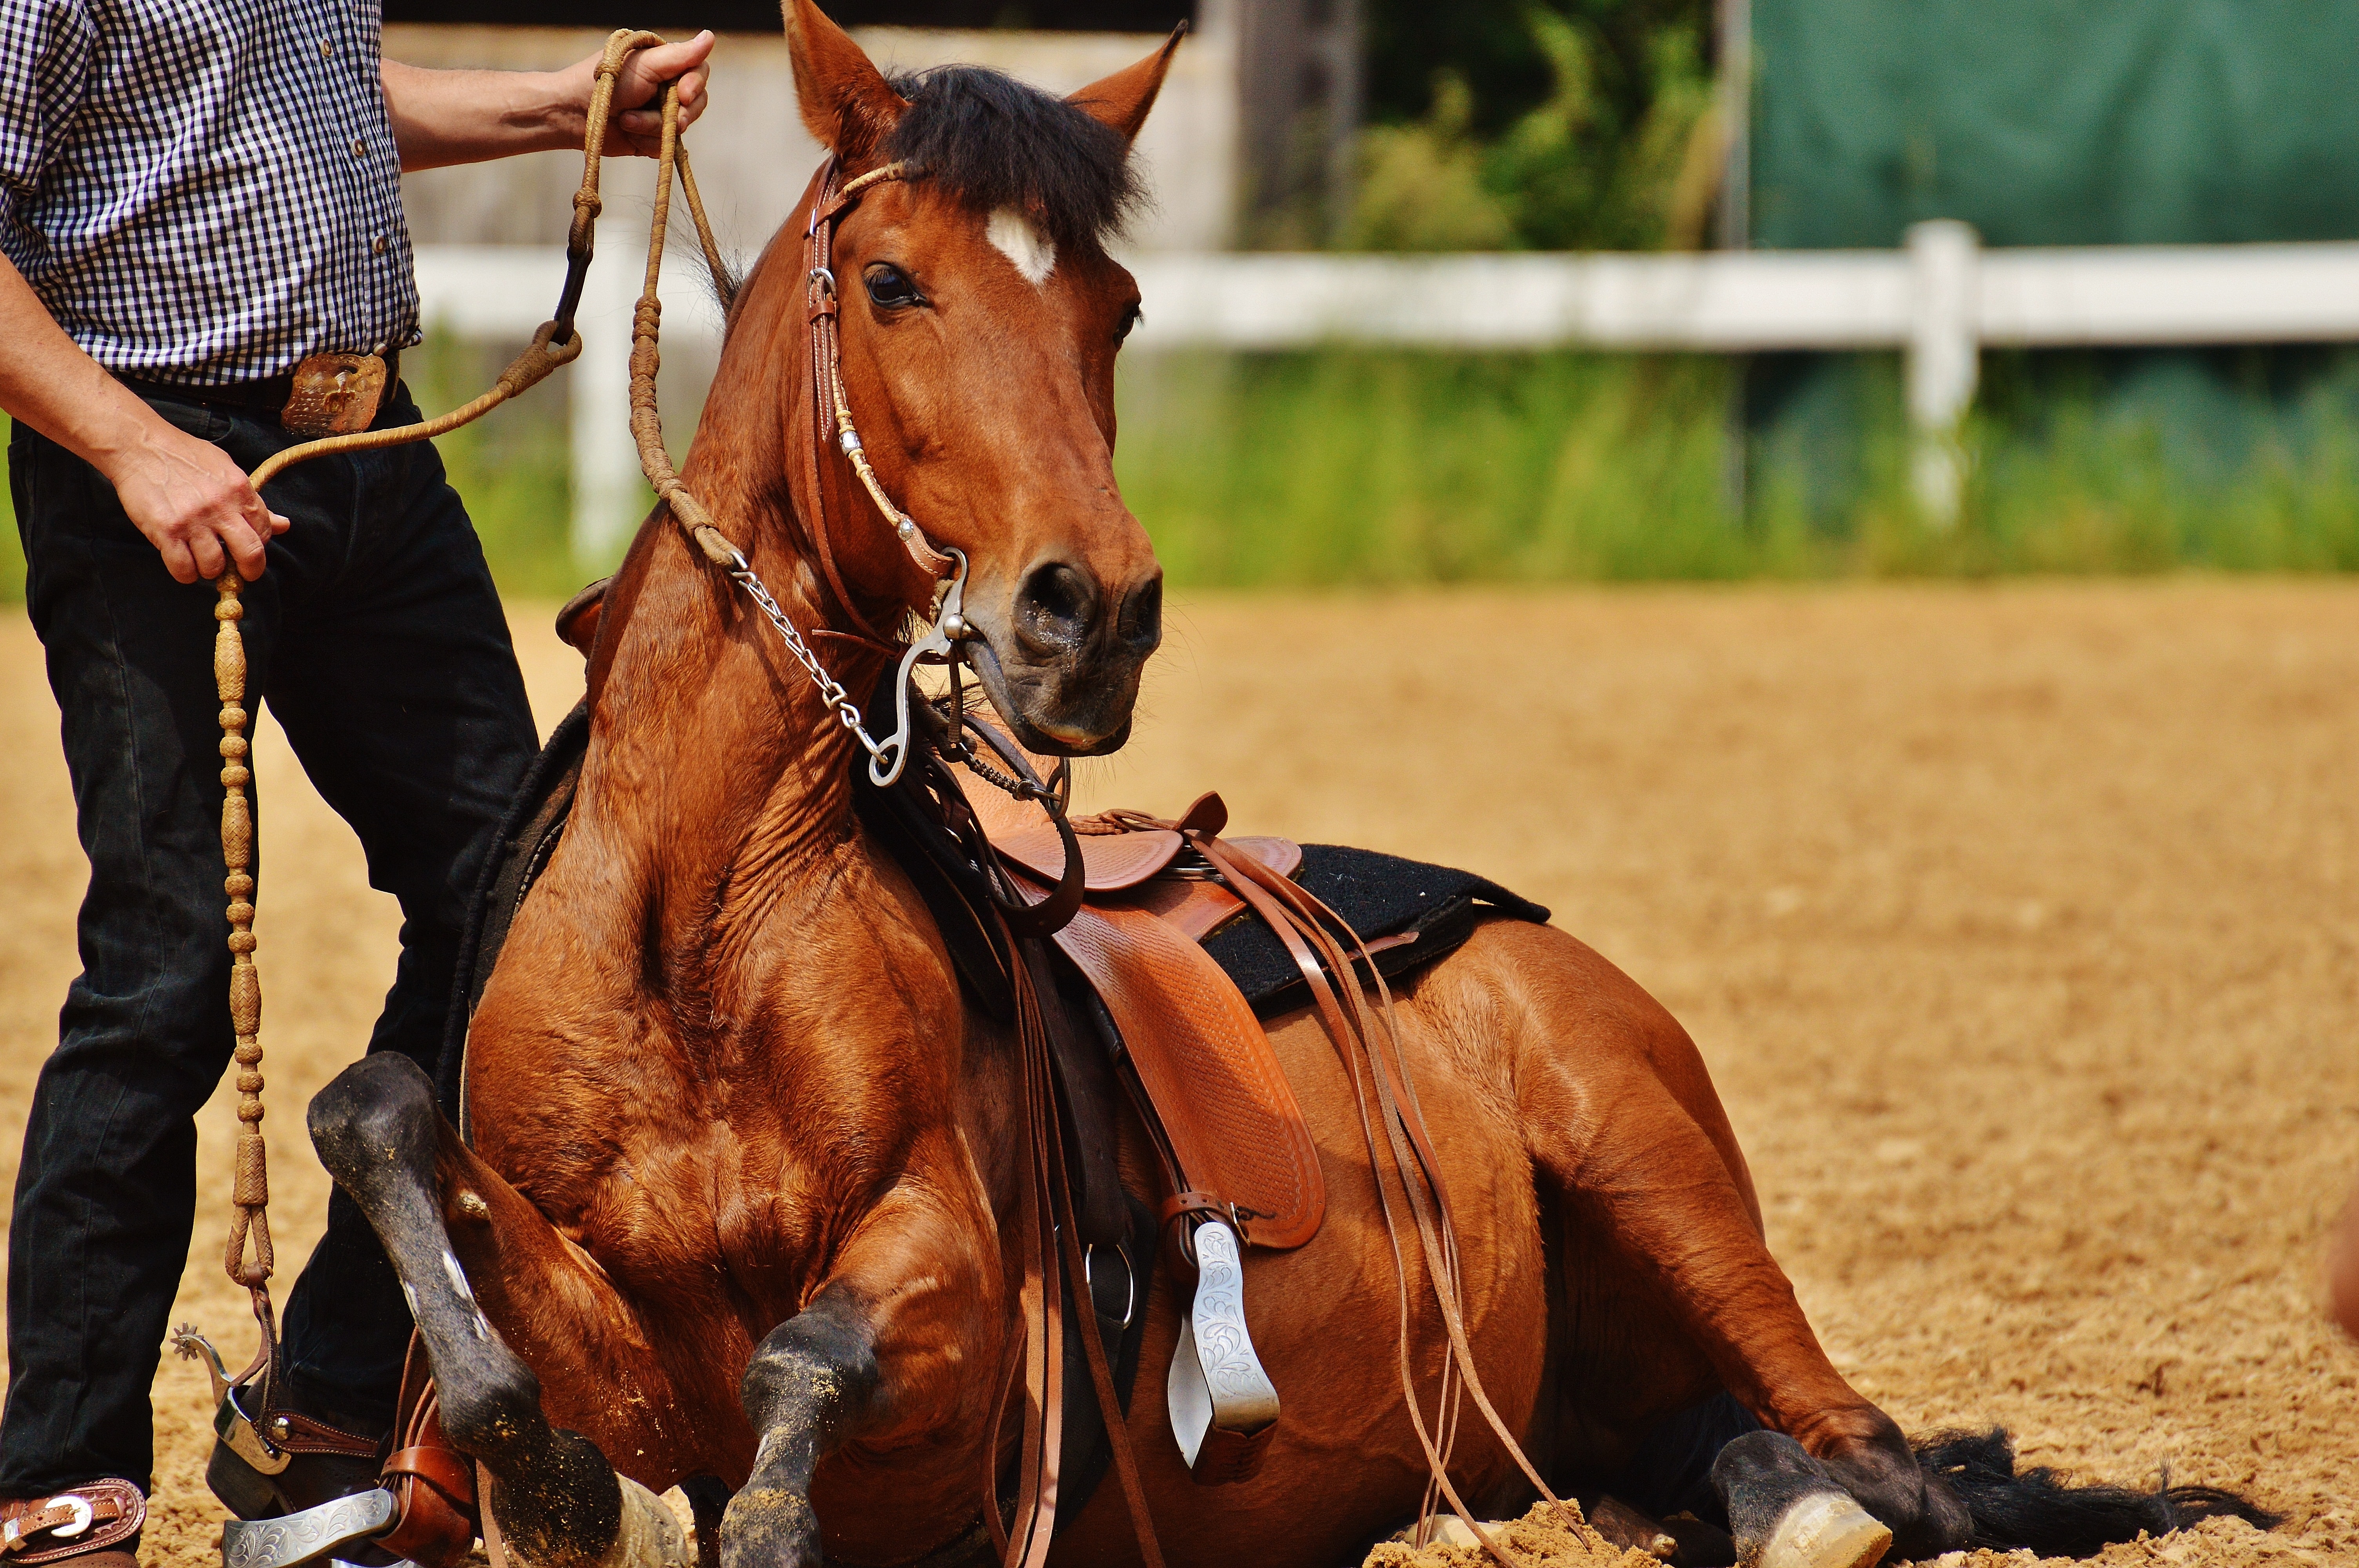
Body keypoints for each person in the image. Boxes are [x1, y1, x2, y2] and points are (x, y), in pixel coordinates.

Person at [0, 9, 712, 1564]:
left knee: (508, 906)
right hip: (153, 462)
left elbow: (289, 103)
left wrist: (563, 108)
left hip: (370, 448)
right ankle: (59, 1474)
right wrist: (130, 448)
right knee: (166, 967)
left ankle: (322, 1391)